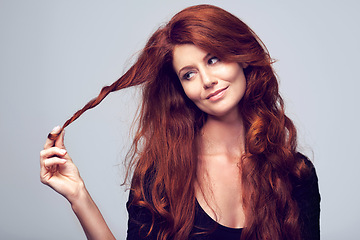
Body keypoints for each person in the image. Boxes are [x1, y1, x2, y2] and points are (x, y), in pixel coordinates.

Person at [40, 4, 320, 240]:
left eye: (214, 59)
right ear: (180, 88)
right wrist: (79, 197)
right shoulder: (162, 174)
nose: (207, 81)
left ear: (241, 57)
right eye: (189, 74)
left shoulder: (294, 172)